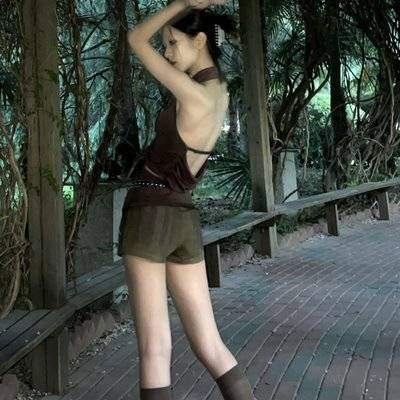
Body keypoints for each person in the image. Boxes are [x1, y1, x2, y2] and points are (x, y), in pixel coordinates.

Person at [119, 1, 257, 399]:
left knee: (155, 349)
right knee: (211, 345)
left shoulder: (191, 93)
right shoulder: (220, 93)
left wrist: (182, 3)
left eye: (172, 43)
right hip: (184, 220)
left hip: (149, 216)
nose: (166, 52)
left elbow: (135, 39)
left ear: (199, 41)